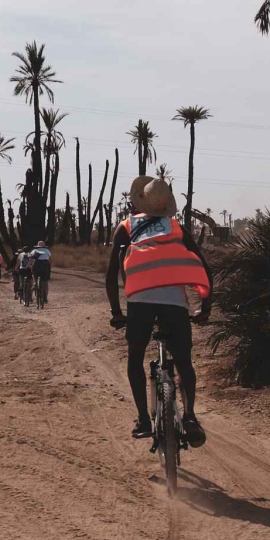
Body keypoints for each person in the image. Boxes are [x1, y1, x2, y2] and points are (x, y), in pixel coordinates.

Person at [107, 176, 211, 448]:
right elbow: (203, 266)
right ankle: (189, 417)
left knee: (136, 356)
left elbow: (110, 274)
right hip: (174, 303)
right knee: (184, 361)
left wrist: (117, 313)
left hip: (140, 300)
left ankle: (142, 419)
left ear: (138, 201)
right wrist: (205, 308)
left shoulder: (126, 226)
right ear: (166, 206)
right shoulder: (176, 227)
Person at [30, 239, 52, 305]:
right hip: (45, 264)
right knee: (46, 281)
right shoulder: (47, 251)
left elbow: (31, 258)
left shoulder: (34, 250)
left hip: (37, 264)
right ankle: (45, 297)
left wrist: (31, 265)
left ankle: (35, 283)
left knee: (34, 273)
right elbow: (50, 259)